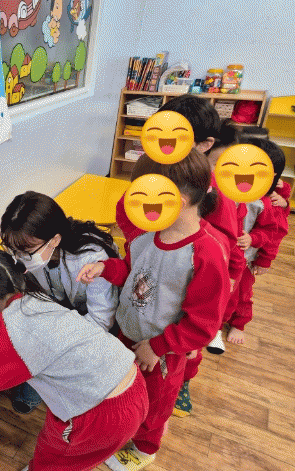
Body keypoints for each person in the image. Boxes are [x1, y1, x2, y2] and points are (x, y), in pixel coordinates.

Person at [79, 149, 230, 471]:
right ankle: (122, 426)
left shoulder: (206, 253)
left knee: (155, 404)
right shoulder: (144, 235)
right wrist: (106, 268)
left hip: (162, 352)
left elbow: (203, 324)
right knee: (124, 388)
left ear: (180, 200)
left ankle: (144, 449)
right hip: (127, 332)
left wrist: (159, 346)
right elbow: (133, 272)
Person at [0, 248, 148, 471]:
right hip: (133, 384)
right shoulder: (35, 297)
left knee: (56, 459)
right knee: (70, 453)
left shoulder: (9, 335)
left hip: (103, 416)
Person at [116, 95, 245, 418]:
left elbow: (223, 261)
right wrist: (143, 242)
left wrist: (184, 343)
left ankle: (182, 382)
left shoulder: (210, 205)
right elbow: (126, 211)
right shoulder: (155, 180)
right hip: (146, 300)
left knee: (172, 375)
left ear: (204, 144)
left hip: (176, 325)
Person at [0, 191, 120, 413]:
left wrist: (53, 343)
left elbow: (101, 320)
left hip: (94, 325)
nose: (18, 258)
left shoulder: (91, 258)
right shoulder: (34, 254)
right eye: (13, 250)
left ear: (55, 239)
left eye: (25, 251)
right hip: (61, 313)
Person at [223, 137, 286, 345]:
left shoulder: (264, 202)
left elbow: (272, 231)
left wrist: (254, 240)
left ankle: (238, 323)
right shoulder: (227, 189)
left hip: (245, 260)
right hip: (223, 255)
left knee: (242, 294)